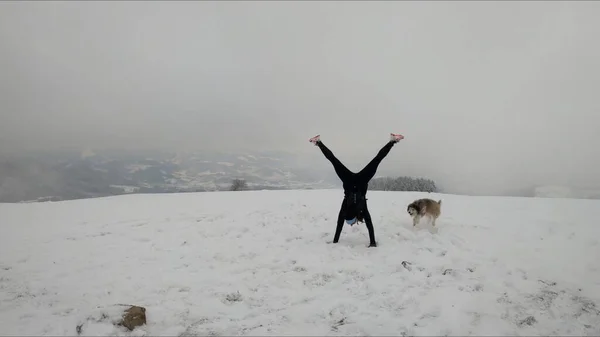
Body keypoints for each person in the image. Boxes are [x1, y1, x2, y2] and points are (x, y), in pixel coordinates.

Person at [309, 133, 404, 247]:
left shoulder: (361, 209)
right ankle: (318, 142)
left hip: (360, 181)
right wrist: (335, 241)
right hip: (349, 180)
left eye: (352, 222)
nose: (353, 224)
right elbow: (340, 225)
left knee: (377, 160)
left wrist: (372, 242)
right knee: (334, 160)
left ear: (353, 217)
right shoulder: (347, 209)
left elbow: (368, 224)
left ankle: (393, 141)